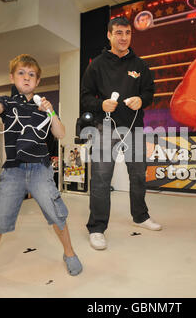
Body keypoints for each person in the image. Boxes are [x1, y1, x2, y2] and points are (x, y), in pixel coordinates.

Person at [0, 54, 82, 292]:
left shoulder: (44, 108)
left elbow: (61, 133)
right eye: (21, 73)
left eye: (31, 74)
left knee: (56, 213)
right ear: (13, 77)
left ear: (37, 81)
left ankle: (69, 253)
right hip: (13, 171)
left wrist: (51, 112)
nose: (26, 78)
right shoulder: (8, 102)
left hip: (40, 170)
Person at [80, 17, 162, 251]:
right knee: (101, 180)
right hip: (104, 129)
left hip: (134, 128)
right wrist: (100, 105)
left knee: (138, 175)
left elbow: (149, 92)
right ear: (109, 35)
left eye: (127, 32)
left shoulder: (140, 64)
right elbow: (85, 97)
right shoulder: (96, 65)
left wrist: (141, 100)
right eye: (118, 33)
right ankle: (97, 228)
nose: (123, 37)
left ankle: (140, 216)